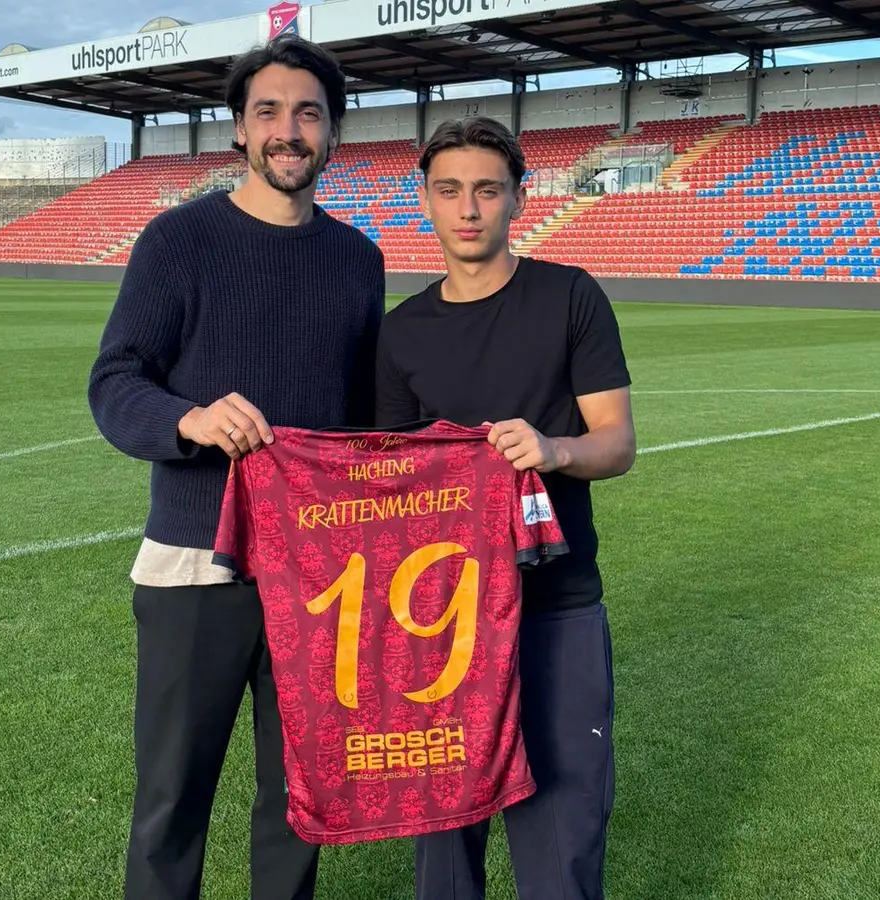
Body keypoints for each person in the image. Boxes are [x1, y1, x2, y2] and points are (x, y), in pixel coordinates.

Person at [87, 33, 385, 900]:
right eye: (269, 112)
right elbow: (114, 382)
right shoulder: (179, 241)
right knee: (172, 801)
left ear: (333, 132)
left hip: (317, 570)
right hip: (195, 564)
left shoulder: (358, 259)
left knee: (299, 801)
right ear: (241, 130)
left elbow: (367, 419)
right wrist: (189, 418)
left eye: (308, 114)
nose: (289, 130)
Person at [374, 116, 636, 900]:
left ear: (518, 198)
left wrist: (554, 451)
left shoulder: (569, 296)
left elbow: (617, 443)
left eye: (488, 190)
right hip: (441, 618)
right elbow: (388, 481)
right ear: (425, 199)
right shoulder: (400, 332)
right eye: (450, 190)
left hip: (556, 606)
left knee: (562, 835)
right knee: (445, 841)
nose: (469, 208)